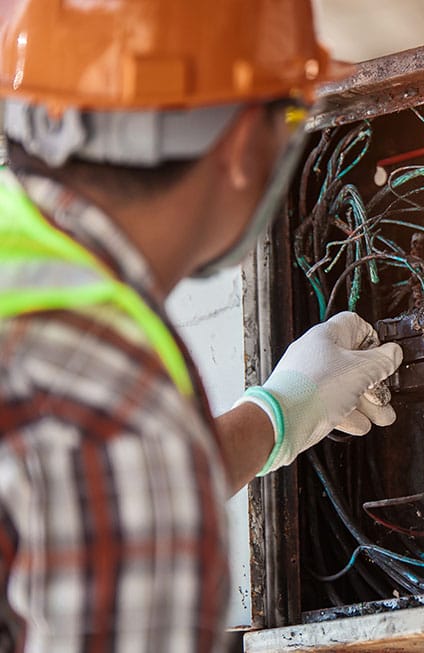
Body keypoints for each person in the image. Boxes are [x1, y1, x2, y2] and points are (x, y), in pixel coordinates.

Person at [0, 0, 402, 649]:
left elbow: (66, 488)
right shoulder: (120, 427)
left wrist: (277, 415)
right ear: (243, 143)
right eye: (294, 115)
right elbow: (113, 469)